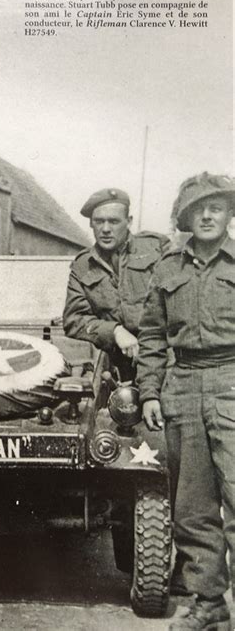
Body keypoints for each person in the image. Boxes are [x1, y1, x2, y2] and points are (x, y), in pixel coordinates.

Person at [137, 172, 235, 631]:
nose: (209, 215)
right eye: (199, 209)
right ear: (187, 218)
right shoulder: (167, 268)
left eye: (217, 206)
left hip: (233, 379)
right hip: (182, 384)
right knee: (192, 508)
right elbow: (153, 335)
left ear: (229, 213)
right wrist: (151, 392)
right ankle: (209, 603)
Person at [63, 187, 169, 382]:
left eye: (113, 221)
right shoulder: (82, 265)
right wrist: (114, 331)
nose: (105, 229)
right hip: (121, 368)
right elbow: (74, 319)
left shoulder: (157, 249)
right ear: (91, 224)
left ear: (128, 222)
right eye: (99, 221)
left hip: (165, 364)